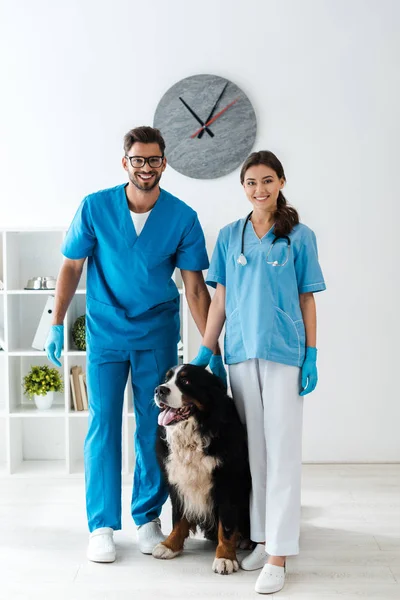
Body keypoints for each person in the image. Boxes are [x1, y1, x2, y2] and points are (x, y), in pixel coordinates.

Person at [45, 126, 225, 563]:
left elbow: (196, 289)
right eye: (138, 160)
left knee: (157, 427)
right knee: (103, 425)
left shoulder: (181, 216)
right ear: (125, 162)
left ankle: (148, 518)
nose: (146, 167)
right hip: (106, 332)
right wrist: (55, 320)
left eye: (154, 160)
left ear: (165, 163)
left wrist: (211, 349)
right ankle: (102, 526)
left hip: (157, 334)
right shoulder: (95, 207)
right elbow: (71, 266)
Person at [191, 150, 326, 594]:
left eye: (267, 181)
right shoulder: (230, 237)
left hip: (285, 355)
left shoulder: (299, 237)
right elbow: (222, 301)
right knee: (254, 453)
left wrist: (311, 353)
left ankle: (279, 555)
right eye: (251, 182)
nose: (259, 189)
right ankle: (262, 534)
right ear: (243, 187)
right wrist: (207, 350)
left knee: (283, 453)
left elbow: (307, 298)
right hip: (241, 355)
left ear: (281, 182)